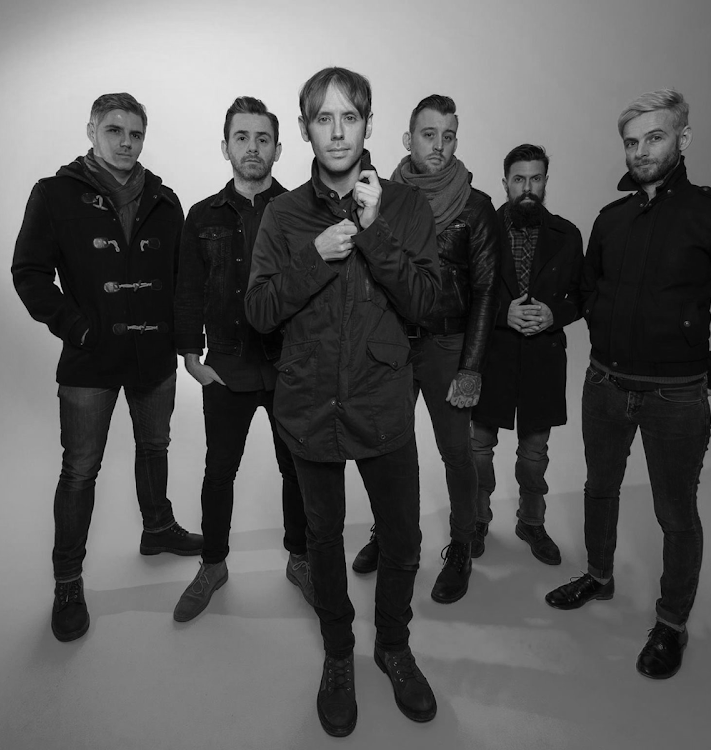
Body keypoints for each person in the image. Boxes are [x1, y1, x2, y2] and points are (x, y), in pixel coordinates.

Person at [545, 89, 711, 680]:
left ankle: (671, 623)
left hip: (675, 395)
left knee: (675, 513)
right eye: (632, 141)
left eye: (655, 137)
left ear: (683, 139)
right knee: (599, 488)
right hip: (604, 384)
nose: (641, 151)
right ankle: (598, 577)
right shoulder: (611, 218)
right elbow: (588, 288)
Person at [244, 67, 441, 737]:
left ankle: (393, 647)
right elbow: (260, 311)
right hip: (308, 404)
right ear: (305, 130)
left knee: (403, 539)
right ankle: (337, 654)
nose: (336, 132)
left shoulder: (406, 206)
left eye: (349, 118)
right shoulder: (282, 215)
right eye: (323, 119)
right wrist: (313, 255)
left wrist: (375, 230)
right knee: (323, 540)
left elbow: (428, 303)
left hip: (382, 401)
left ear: (367, 125)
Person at [12, 92, 202, 643]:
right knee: (80, 470)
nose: (126, 142)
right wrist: (78, 328)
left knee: (155, 446)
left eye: (136, 133)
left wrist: (184, 342)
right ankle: (67, 581)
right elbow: (29, 273)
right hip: (89, 357)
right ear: (92, 130)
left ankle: (157, 527)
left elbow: (183, 282)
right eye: (115, 130)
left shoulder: (165, 199)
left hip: (153, 355)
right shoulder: (54, 194)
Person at [350, 94, 499, 605]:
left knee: (456, 452)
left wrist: (471, 366)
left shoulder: (476, 207)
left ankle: (462, 547)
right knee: (389, 447)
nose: (438, 145)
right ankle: (391, 533)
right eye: (428, 134)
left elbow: (486, 292)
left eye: (448, 136)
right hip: (392, 340)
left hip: (446, 344)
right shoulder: (381, 198)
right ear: (408, 139)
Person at [171, 97, 313, 623]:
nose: (252, 148)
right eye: (242, 137)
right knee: (219, 472)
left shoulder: (298, 210)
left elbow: (316, 288)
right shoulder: (202, 215)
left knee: (297, 470)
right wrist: (191, 357)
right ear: (225, 146)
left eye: (262, 139)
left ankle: (300, 560)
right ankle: (212, 565)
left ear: (278, 148)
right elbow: (188, 289)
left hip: (287, 367)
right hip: (225, 367)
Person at [471, 144, 584, 565]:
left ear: (545, 182)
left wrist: (555, 314)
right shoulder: (482, 230)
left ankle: (531, 522)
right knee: (478, 448)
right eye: (519, 179)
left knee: (534, 455)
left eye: (535, 179)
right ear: (505, 183)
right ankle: (476, 520)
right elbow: (463, 292)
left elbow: (584, 296)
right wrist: (502, 312)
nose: (527, 187)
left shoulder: (567, 235)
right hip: (492, 356)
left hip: (542, 358)